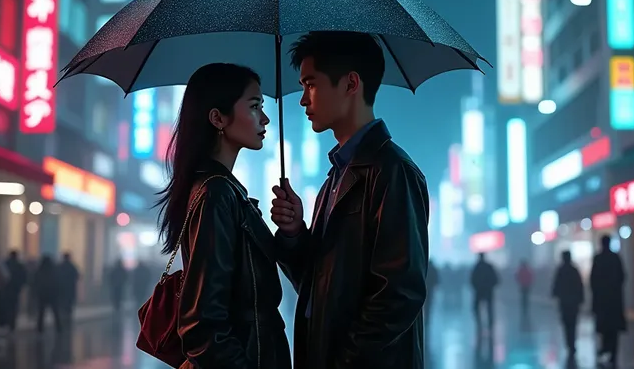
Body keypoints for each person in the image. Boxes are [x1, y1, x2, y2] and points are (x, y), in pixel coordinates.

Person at [270, 32, 430, 369]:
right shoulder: (337, 176)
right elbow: (319, 287)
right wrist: (295, 232)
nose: (302, 99)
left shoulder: (392, 171)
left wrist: (345, 362)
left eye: (310, 84)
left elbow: (399, 294)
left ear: (350, 83)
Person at [156, 63, 290, 368]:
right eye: (255, 106)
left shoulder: (224, 192)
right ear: (217, 118)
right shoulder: (216, 195)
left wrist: (291, 231)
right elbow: (203, 325)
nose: (265, 118)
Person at [590, 235, 627, 366]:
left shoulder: (598, 259)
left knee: (605, 327)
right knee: (614, 328)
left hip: (602, 300)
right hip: (614, 300)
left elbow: (593, 281)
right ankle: (612, 352)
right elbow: (622, 276)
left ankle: (606, 348)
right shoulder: (615, 258)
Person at [551, 250, 584, 358]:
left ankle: (569, 343)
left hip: (564, 302)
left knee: (566, 324)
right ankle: (572, 343)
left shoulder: (561, 270)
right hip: (573, 302)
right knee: (573, 323)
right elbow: (580, 285)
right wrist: (581, 298)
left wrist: (555, 294)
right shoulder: (574, 270)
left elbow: (556, 286)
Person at [470, 253, 499, 334]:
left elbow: (472, 279)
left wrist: (476, 286)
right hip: (488, 290)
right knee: (489, 307)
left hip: (479, 290)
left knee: (477, 307)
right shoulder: (488, 266)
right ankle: (490, 322)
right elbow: (495, 278)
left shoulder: (476, 267)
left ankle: (479, 322)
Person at [33, 255, 62, 333]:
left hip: (42, 295)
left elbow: (35, 282)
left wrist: (36, 293)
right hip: (52, 295)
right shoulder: (54, 271)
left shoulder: (39, 271)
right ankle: (59, 328)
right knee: (55, 312)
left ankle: (40, 328)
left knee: (41, 313)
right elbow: (58, 282)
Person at [2, 250, 27, 332]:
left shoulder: (5, 264)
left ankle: (5, 323)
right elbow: (24, 278)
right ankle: (12, 325)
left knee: (6, 306)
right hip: (15, 289)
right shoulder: (19, 265)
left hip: (5, 289)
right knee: (13, 307)